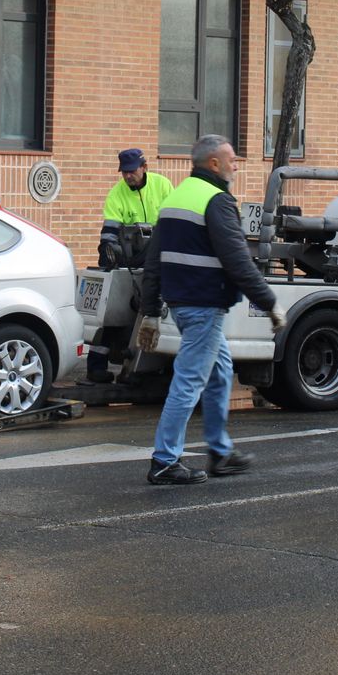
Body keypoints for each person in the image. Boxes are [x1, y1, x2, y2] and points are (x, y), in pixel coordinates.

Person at [140, 134, 282, 486]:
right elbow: (238, 261)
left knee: (220, 372)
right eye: (232, 159)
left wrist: (151, 310)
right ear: (214, 164)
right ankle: (164, 460)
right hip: (204, 306)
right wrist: (270, 304)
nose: (236, 165)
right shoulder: (217, 201)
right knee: (189, 382)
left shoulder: (176, 197)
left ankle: (220, 452)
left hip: (183, 304)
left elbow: (153, 261)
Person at [90, 147, 174, 383]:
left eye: (131, 171)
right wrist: (110, 252)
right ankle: (96, 367)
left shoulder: (163, 185)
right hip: (126, 257)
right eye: (124, 172)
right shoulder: (117, 194)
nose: (128, 176)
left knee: (148, 310)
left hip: (155, 256)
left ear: (144, 167)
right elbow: (109, 231)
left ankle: (144, 365)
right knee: (114, 310)